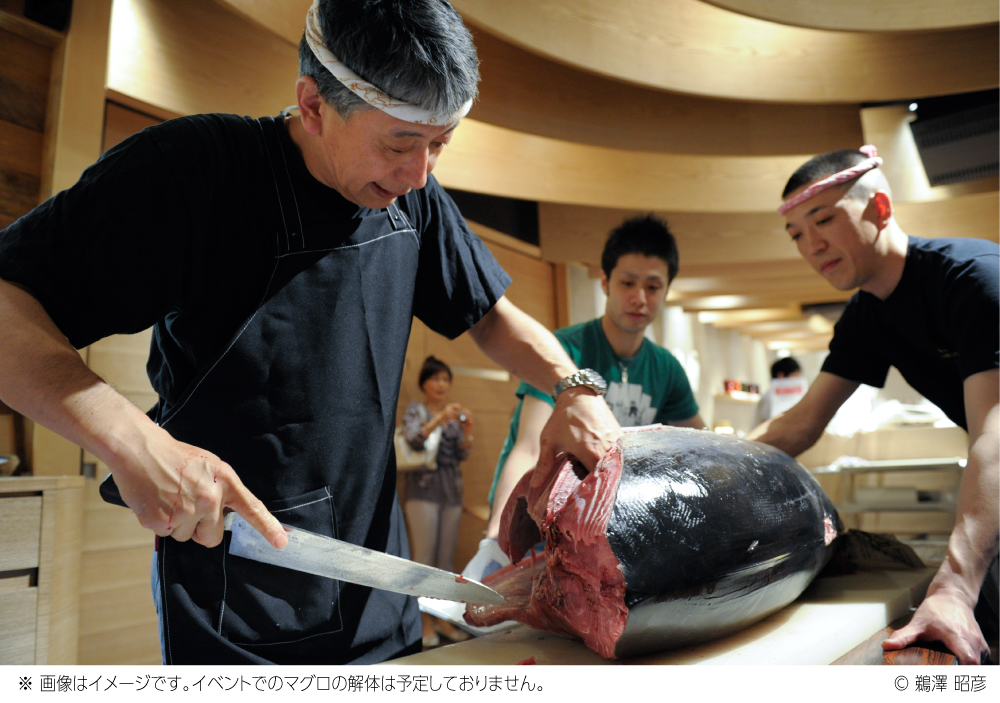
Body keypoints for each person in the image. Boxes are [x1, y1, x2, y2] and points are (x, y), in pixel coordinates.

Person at [0, 0, 620, 665]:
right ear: (314, 104)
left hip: (380, 587)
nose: (421, 173)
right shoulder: (198, 173)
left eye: (440, 143)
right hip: (235, 599)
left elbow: (490, 315)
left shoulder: (414, 197)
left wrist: (574, 386)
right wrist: (133, 441)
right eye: (399, 143)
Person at [748, 146, 998, 665]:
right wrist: (696, 461)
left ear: (879, 208)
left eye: (824, 221)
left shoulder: (974, 280)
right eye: (796, 235)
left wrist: (953, 586)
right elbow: (799, 426)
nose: (812, 245)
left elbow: (993, 440)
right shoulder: (866, 318)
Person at [463, 214, 706, 581]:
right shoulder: (564, 350)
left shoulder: (666, 368)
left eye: (654, 287)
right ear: (605, 282)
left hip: (614, 527)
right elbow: (528, 447)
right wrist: (498, 534)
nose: (639, 298)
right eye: (628, 282)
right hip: (547, 521)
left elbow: (697, 448)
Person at [400, 356, 473, 647]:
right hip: (422, 493)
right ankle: (423, 620)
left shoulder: (454, 416)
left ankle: (442, 616)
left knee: (445, 561)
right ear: (424, 383)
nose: (442, 384)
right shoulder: (416, 410)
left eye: (446, 379)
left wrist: (467, 432)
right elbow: (414, 440)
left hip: (451, 493)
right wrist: (441, 418)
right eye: (436, 378)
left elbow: (461, 455)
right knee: (423, 560)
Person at [753, 356, 808, 427]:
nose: (798, 379)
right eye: (795, 375)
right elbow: (763, 422)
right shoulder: (769, 397)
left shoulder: (799, 395)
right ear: (781, 375)